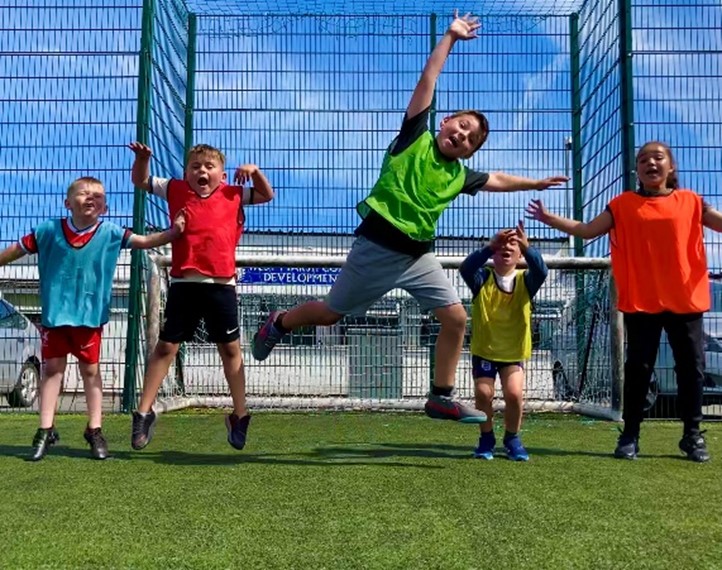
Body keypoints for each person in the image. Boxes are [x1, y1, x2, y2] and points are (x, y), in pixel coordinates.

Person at [251, 11, 567, 423]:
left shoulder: (460, 176)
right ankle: (281, 320)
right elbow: (427, 79)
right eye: (461, 126)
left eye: (470, 140)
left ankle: (440, 396)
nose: (462, 136)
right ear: (446, 119)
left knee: (455, 317)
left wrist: (535, 183)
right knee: (330, 313)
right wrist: (450, 38)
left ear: (470, 153)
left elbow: (499, 179)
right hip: (377, 249)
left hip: (417, 257)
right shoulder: (414, 136)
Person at [526, 140, 721, 462]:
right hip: (642, 301)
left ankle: (692, 436)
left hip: (686, 300)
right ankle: (630, 435)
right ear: (637, 171)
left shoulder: (692, 202)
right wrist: (550, 219)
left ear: (671, 167)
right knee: (638, 369)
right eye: (643, 159)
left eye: (658, 158)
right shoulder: (622, 205)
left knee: (692, 371)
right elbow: (587, 231)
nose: (650, 163)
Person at [0, 176, 185, 461]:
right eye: (84, 193)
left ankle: (95, 429)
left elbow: (147, 240)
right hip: (55, 318)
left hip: (89, 320)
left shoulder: (111, 232)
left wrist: (175, 231)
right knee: (52, 371)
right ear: (67, 203)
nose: (91, 198)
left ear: (106, 206)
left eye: (97, 195)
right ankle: (45, 430)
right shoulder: (48, 230)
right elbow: (15, 250)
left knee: (90, 372)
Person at [128, 142, 274, 451]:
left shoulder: (233, 195)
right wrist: (142, 160)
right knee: (166, 346)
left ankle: (239, 415)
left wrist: (256, 172)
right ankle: (143, 412)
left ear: (222, 174)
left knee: (230, 349)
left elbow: (266, 195)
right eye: (195, 167)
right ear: (186, 172)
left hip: (221, 286)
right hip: (184, 283)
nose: (202, 171)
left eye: (209, 166)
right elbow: (141, 181)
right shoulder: (176, 189)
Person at [459, 221, 548, 460]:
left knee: (514, 394)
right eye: (502, 244)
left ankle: (512, 438)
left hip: (513, 351)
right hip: (485, 349)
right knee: (484, 393)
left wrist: (528, 247)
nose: (506, 247)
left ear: (520, 253)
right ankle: (486, 438)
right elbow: (466, 268)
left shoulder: (526, 281)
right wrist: (489, 246)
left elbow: (542, 270)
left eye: (513, 244)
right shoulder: (481, 279)